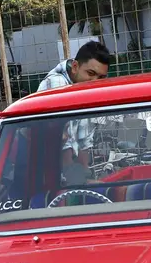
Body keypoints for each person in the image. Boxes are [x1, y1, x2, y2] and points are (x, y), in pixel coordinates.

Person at [36, 40, 114, 180]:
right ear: (75, 66)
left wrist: (87, 174)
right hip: (40, 170)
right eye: (90, 73)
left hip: (63, 165)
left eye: (101, 77)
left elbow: (84, 140)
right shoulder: (58, 84)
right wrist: (79, 181)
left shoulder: (83, 89)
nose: (95, 82)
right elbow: (62, 139)